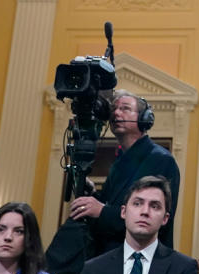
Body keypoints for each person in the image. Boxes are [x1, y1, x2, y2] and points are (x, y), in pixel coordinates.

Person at [69, 176, 199, 274]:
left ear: (165, 219)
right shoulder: (93, 270)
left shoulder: (183, 269)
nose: (145, 211)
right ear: (123, 212)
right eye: (137, 203)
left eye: (155, 206)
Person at [68, 91, 180, 257]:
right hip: (111, 258)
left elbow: (150, 218)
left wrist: (101, 211)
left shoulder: (160, 159)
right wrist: (93, 194)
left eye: (125, 108)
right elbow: (115, 203)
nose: (116, 113)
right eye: (114, 109)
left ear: (144, 118)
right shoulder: (121, 161)